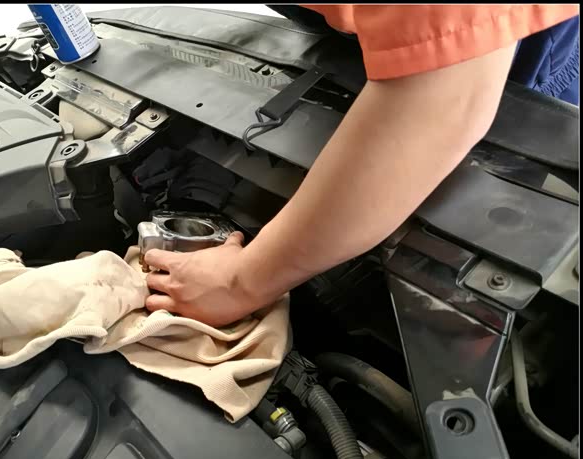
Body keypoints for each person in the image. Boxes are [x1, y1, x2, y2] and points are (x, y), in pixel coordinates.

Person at [143, 5, 580, 327]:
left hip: (510, 55)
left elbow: (442, 106)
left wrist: (240, 283)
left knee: (509, 202)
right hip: (384, 39)